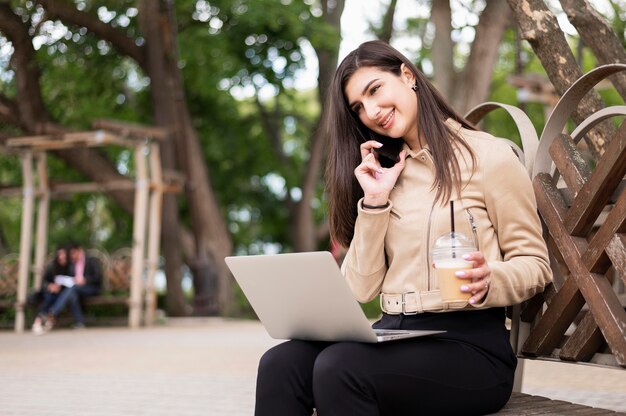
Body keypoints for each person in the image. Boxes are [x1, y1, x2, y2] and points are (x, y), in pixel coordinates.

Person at [255, 41, 553, 416]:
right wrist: (375, 203)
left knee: (340, 367)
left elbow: (535, 265)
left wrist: (490, 278)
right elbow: (360, 289)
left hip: (469, 346)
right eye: (358, 108)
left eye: (375, 90)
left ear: (407, 75)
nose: (372, 112)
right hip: (394, 333)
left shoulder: (488, 157)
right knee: (281, 364)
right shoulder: (383, 173)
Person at [43, 242, 102, 331]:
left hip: (91, 288)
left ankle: (53, 312)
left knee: (72, 290)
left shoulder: (91, 260)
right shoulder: (71, 265)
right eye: (70, 254)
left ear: (79, 250)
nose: (72, 256)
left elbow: (97, 277)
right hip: (76, 290)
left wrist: (85, 280)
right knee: (72, 294)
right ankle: (79, 322)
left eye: (74, 253)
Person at [31, 245, 72, 335]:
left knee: (59, 298)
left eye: (64, 255)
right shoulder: (51, 266)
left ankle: (46, 319)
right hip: (50, 292)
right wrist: (50, 286)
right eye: (60, 255)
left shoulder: (70, 267)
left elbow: (72, 282)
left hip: (63, 294)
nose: (62, 257)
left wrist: (61, 287)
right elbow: (44, 282)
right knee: (49, 298)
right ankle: (39, 321)